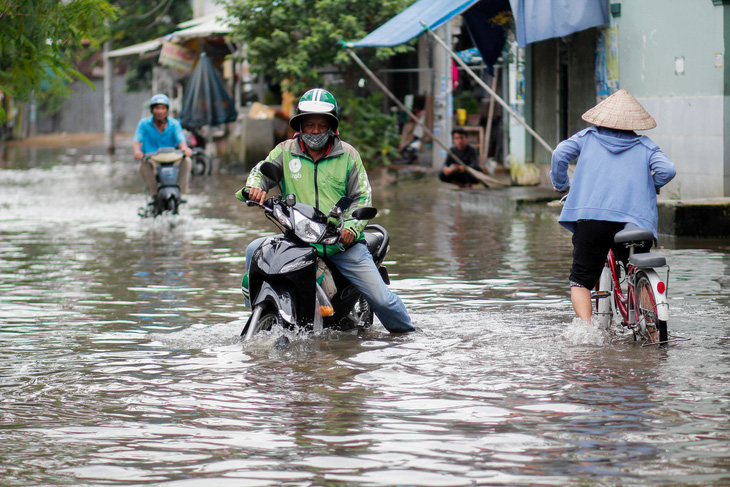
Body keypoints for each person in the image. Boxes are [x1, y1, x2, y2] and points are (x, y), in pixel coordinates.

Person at [236, 88, 416, 334]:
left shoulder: (349, 156)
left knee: (382, 299)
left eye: (322, 125)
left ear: (333, 127)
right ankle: (259, 307)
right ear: (300, 125)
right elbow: (260, 171)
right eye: (310, 124)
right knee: (253, 250)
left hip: (340, 243)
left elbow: (362, 195)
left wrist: (351, 228)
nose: (316, 131)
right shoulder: (284, 151)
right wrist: (254, 189)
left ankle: (409, 335)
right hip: (297, 239)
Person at [550, 89, 676, 321]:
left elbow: (559, 154)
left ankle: (587, 333)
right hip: (634, 224)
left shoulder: (586, 137)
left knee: (580, 281)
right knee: (636, 268)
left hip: (591, 221)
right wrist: (651, 186)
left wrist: (561, 184)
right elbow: (668, 170)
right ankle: (649, 323)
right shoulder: (645, 145)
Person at [133, 94, 193, 203]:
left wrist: (185, 149)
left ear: (167, 110)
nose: (160, 111)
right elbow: (137, 140)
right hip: (153, 160)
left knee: (187, 161)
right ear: (152, 110)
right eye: (157, 108)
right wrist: (137, 152)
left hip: (172, 159)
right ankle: (154, 195)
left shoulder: (174, 124)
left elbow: (181, 140)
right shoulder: (144, 124)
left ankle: (181, 192)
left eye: (163, 108)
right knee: (144, 165)